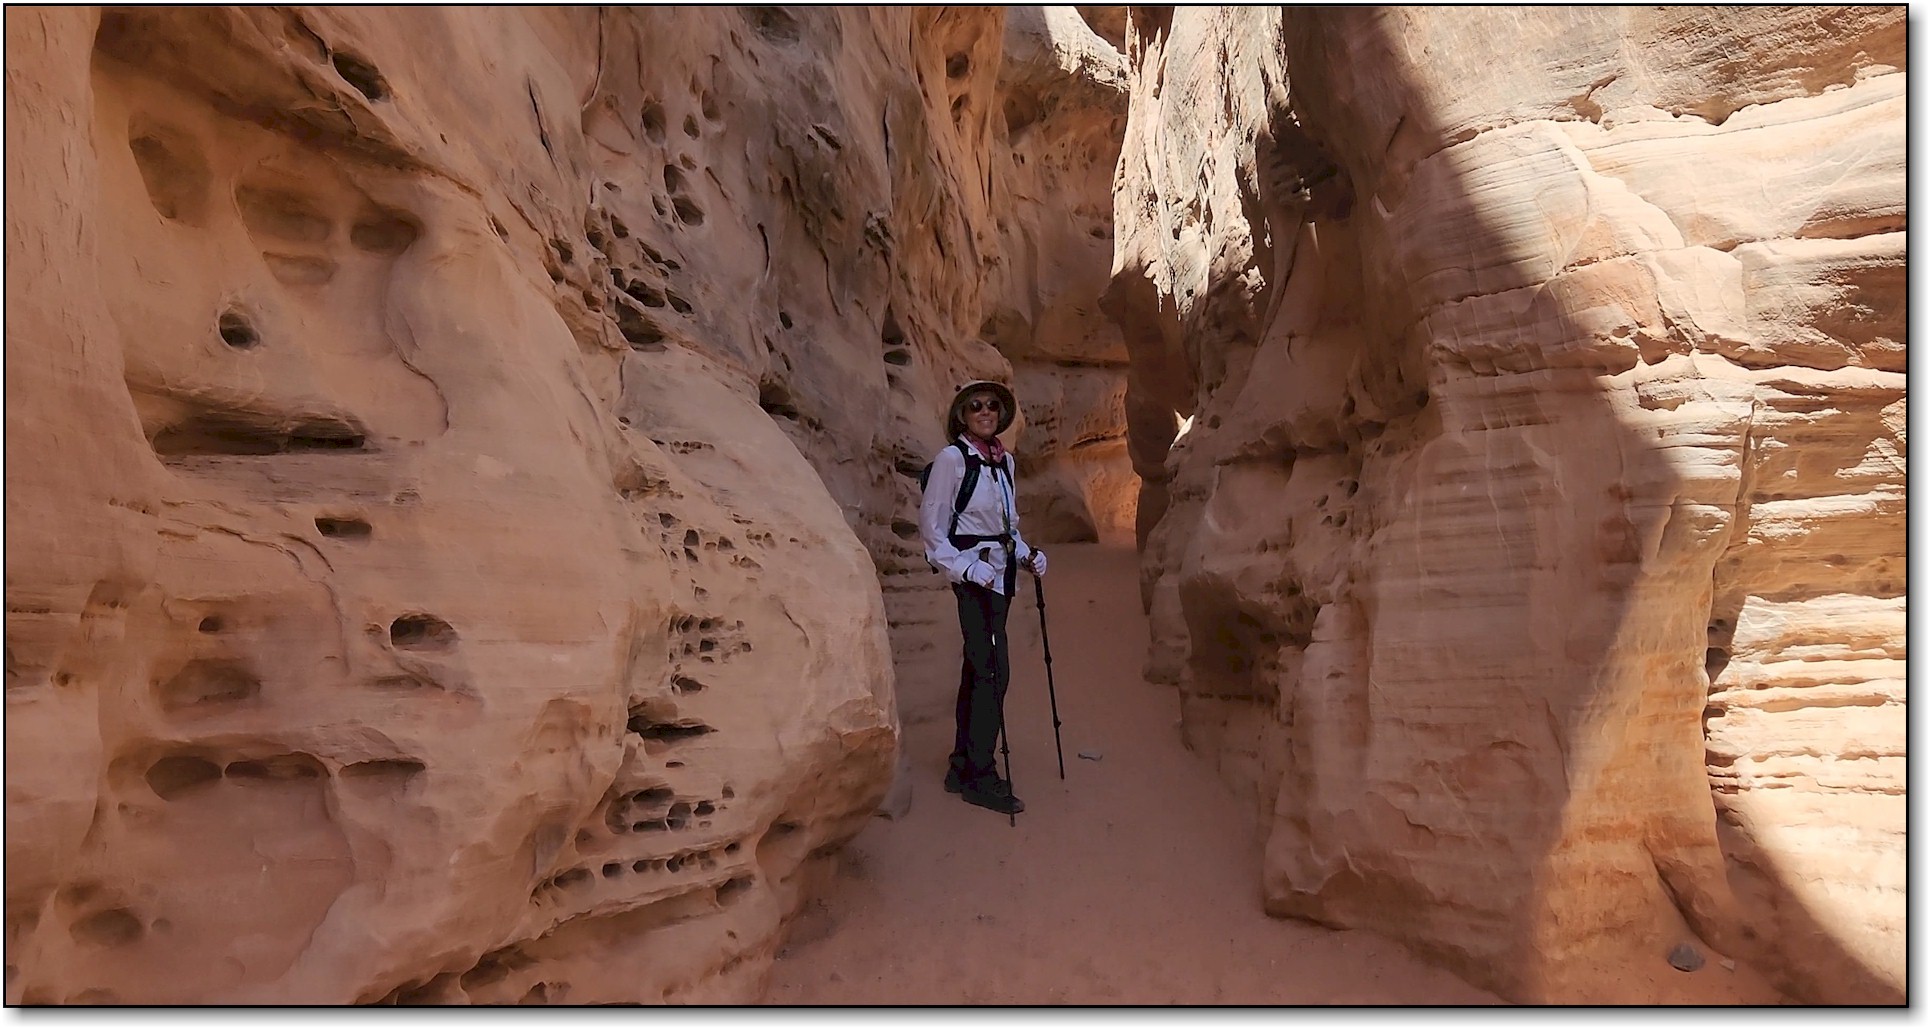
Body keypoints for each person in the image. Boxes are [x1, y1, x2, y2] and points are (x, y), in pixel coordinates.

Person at [920, 380, 1047, 816]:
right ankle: (981, 774)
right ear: (962, 414)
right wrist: (964, 568)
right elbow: (933, 532)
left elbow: (1007, 527)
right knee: (994, 672)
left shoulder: (1003, 461)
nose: (985, 411)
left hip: (1001, 579)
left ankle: (962, 766)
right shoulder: (952, 460)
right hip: (974, 580)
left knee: (979, 669)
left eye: (992, 405)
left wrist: (1027, 553)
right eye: (975, 406)